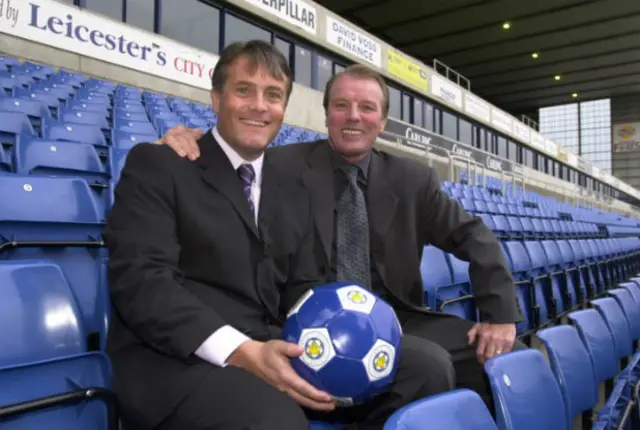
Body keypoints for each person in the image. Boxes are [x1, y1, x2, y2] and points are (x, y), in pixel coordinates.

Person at [104, 40, 455, 430]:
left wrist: (356, 325)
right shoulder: (160, 164)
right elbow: (141, 282)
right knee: (277, 420)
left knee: (426, 367)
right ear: (216, 99)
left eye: (273, 95)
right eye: (243, 90)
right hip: (180, 360)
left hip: (272, 342)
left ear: (283, 109)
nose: (259, 105)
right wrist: (241, 350)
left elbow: (302, 285)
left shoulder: (289, 185)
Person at [155, 62, 527, 410]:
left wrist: (499, 314)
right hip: (307, 321)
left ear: (382, 121)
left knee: (500, 355)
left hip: (392, 316)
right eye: (341, 105)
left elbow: (473, 235)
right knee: (430, 366)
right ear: (327, 114)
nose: (353, 116)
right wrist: (187, 144)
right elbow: (225, 159)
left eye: (366, 107)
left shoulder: (412, 180)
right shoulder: (279, 165)